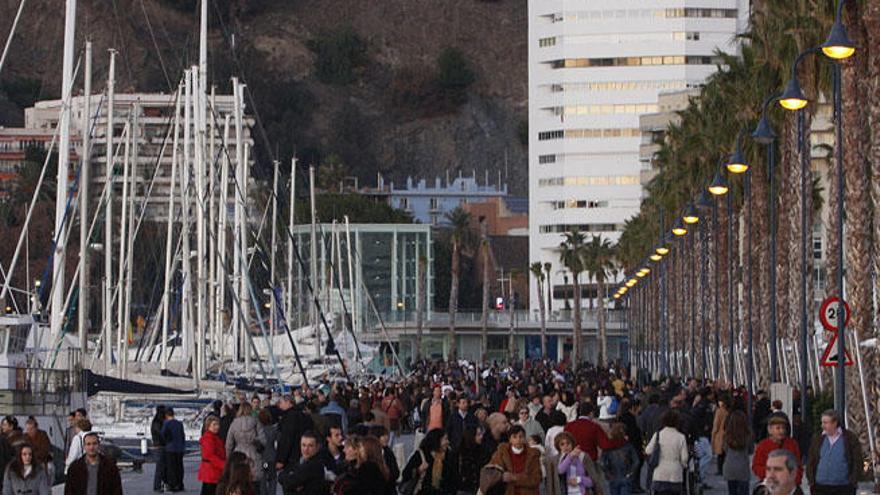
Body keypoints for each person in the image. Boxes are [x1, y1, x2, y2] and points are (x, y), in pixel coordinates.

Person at [805, 409, 862, 495]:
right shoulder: (818, 438)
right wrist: (811, 481)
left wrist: (853, 481)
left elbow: (857, 460)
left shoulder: (849, 438)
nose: (822, 426)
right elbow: (811, 460)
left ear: (835, 423)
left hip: (843, 487)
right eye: (822, 422)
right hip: (820, 486)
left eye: (825, 422)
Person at [226, 402, 268, 491]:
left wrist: (229, 459)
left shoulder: (234, 424)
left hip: (238, 455)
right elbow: (263, 441)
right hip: (253, 453)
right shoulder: (256, 422)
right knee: (255, 486)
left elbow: (229, 444)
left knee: (239, 484)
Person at [644, 409, 688, 495]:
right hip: (675, 473)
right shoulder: (681, 437)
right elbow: (684, 457)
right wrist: (683, 464)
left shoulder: (658, 435)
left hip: (660, 472)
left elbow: (648, 450)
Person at [489, 425, 542, 495]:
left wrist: (514, 478)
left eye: (521, 436)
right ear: (510, 439)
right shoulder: (502, 453)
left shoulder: (533, 455)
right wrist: (502, 476)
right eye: (514, 437)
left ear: (524, 438)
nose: (518, 440)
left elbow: (536, 478)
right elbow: (493, 471)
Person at [401, 429, 457, 495]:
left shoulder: (449, 456)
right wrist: (418, 470)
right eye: (445, 439)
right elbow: (405, 474)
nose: (448, 442)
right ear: (437, 440)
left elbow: (454, 480)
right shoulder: (421, 455)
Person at [752, 416, 802, 485]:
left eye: (783, 428)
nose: (782, 431)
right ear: (770, 430)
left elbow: (798, 465)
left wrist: (795, 480)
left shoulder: (792, 444)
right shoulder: (763, 445)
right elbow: (756, 466)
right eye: (778, 428)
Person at [276, 395, 314, 471]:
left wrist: (281, 459)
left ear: (288, 402)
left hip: (291, 456)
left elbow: (287, 438)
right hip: (304, 453)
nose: (280, 405)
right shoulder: (304, 415)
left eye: (281, 402)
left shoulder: (289, 417)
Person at [600, 423, 639, 495]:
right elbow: (636, 461)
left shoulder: (608, 446)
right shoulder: (628, 445)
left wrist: (608, 474)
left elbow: (602, 463)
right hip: (626, 475)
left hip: (613, 476)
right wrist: (631, 473)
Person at [722, 410, 752, 495]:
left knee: (732, 492)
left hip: (730, 467)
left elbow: (725, 449)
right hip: (743, 468)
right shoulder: (748, 435)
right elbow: (751, 450)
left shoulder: (727, 435)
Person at [199, 416, 227, 495]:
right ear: (208, 426)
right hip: (211, 471)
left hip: (213, 470)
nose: (217, 427)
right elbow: (210, 455)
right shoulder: (208, 438)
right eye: (214, 425)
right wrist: (224, 464)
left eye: (217, 424)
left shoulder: (214, 437)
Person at [457, 426, 489, 495]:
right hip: (464, 489)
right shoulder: (460, 453)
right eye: (478, 435)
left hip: (479, 489)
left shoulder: (483, 451)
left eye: (481, 434)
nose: (481, 437)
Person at [163, 407, 187, 492]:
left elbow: (163, 434)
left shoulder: (166, 423)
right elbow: (183, 435)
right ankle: (180, 484)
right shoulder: (179, 423)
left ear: (166, 415)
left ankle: (172, 485)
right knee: (179, 467)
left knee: (171, 468)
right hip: (179, 448)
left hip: (170, 448)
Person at [258, 409, 278, 495]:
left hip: (262, 458)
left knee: (262, 479)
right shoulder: (274, 430)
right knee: (272, 479)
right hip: (272, 457)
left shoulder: (259, 431)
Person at [711, 396, 730, 476]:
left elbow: (716, 424)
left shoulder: (719, 411)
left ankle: (720, 470)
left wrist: (713, 434)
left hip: (719, 434)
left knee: (719, 454)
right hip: (725, 433)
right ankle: (723, 469)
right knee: (724, 453)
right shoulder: (727, 411)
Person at [151, 405, 168, 492]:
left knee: (163, 467)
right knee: (160, 468)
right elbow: (161, 434)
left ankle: (165, 484)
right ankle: (157, 486)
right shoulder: (158, 422)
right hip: (160, 446)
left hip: (159, 446)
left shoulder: (157, 421)